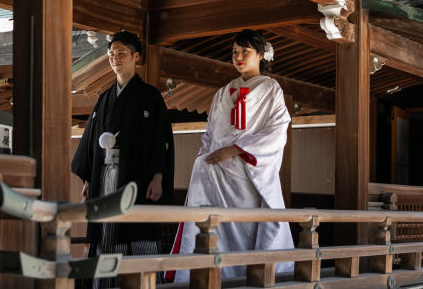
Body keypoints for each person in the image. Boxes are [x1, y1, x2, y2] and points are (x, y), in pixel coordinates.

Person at [168, 29, 294, 282]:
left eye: (245, 51)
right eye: (235, 52)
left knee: (245, 229)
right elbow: (210, 134)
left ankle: (247, 279)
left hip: (247, 173)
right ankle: (213, 278)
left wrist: (236, 149)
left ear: (260, 55)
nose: (239, 57)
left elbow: (277, 130)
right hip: (216, 176)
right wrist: (205, 157)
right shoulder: (222, 92)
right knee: (213, 229)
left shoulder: (271, 88)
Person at [71, 30, 175, 289]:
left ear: (136, 57)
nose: (115, 58)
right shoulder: (104, 99)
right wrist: (88, 178)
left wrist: (158, 176)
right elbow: (90, 141)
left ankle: (140, 282)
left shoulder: (150, 96)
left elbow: (160, 139)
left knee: (136, 229)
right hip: (104, 178)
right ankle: (105, 283)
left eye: (121, 53)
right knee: (106, 231)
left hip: (136, 177)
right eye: (111, 54)